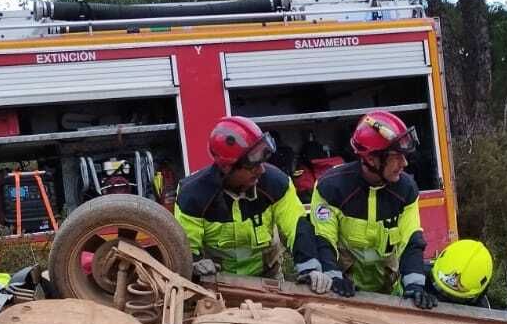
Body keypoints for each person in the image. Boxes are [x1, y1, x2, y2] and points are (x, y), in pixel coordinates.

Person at [175, 116, 337, 292]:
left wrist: (310, 268)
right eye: (252, 166)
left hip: (267, 280)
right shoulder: (192, 194)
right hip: (216, 285)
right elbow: (186, 246)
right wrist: (196, 263)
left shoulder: (276, 183)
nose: (261, 170)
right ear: (226, 167)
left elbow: (296, 226)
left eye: (262, 162)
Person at [310, 110, 427, 303]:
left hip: (390, 295)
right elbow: (323, 238)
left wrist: (415, 286)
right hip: (343, 294)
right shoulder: (332, 187)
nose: (404, 163)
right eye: (397, 157)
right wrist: (333, 276)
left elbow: (411, 240)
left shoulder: (406, 190)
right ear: (372, 159)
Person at [418, 239, 493, 309]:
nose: (443, 298)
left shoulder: (482, 309)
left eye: (455, 298)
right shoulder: (418, 275)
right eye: (438, 288)